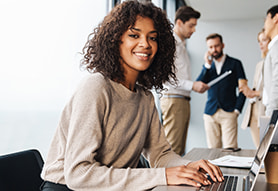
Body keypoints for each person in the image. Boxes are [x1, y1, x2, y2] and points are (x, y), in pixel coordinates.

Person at [40, 1, 223, 190]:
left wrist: (186, 167)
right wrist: (162, 176)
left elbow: (160, 154)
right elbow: (79, 174)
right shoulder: (96, 87)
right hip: (66, 187)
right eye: (134, 35)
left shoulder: (145, 97)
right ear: (115, 39)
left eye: (152, 38)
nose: (145, 44)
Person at [160, 6, 209, 156]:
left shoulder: (181, 45)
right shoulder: (171, 44)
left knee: (179, 150)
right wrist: (192, 85)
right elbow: (166, 78)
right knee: (172, 151)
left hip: (181, 100)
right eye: (191, 25)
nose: (194, 30)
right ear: (179, 23)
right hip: (174, 99)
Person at [196, 33, 246, 149]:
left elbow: (243, 88)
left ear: (222, 45)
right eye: (210, 47)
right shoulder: (208, 67)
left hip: (229, 112)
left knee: (230, 149)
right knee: (213, 150)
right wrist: (207, 66)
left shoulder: (235, 63)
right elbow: (198, 85)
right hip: (210, 113)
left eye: (217, 46)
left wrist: (237, 110)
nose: (214, 49)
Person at [240, 29, 271, 148]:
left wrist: (255, 93)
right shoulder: (260, 64)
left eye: (264, 40)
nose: (261, 44)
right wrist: (247, 91)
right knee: (259, 149)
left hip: (265, 109)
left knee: (266, 148)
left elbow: (274, 90)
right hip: (253, 110)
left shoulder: (274, 63)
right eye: (259, 41)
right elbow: (255, 88)